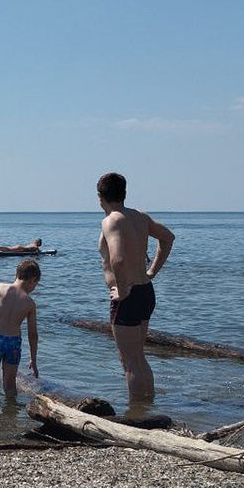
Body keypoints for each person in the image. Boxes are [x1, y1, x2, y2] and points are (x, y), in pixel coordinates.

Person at [96, 172, 175, 405]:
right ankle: (148, 406)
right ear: (124, 194)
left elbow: (117, 259)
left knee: (129, 362)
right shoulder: (139, 217)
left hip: (128, 297)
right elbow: (168, 238)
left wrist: (121, 289)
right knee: (139, 357)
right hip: (145, 291)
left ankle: (137, 413)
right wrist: (152, 271)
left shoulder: (112, 220)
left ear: (100, 197)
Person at [0, 259, 41, 399]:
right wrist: (33, 359)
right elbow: (33, 334)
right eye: (36, 284)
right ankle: (11, 414)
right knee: (10, 384)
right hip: (13, 343)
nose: (35, 288)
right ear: (32, 280)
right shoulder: (30, 303)